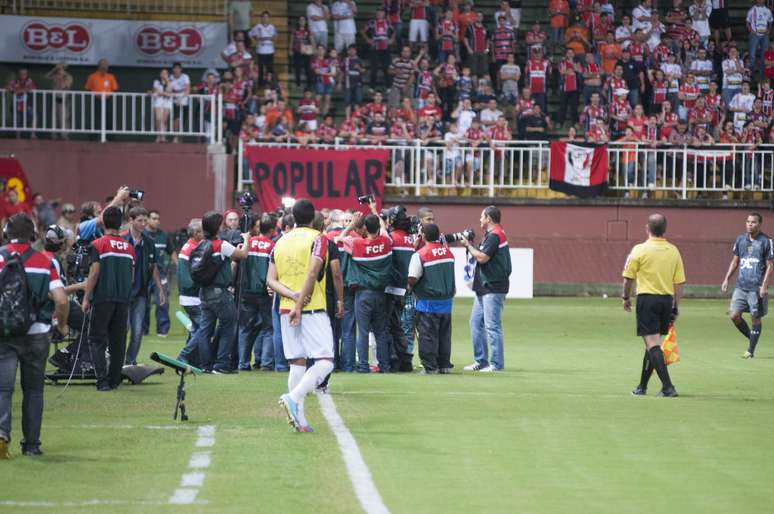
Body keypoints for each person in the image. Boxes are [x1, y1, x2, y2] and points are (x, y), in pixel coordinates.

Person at [0, 214, 68, 458]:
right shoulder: (42, 260)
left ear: (6, 232)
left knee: (3, 389)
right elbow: (61, 299)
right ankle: (31, 445)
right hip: (37, 332)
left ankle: (1, 434)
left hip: (4, 333)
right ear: (34, 235)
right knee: (34, 390)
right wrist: (61, 326)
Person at [269, 199, 335, 432]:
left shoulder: (280, 241)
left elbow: (270, 280)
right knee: (325, 361)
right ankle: (293, 397)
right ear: (312, 217)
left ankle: (301, 420)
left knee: (297, 363)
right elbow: (312, 272)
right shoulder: (318, 239)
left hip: (285, 308)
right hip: (310, 308)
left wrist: (291, 296)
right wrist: (300, 301)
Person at [622, 214, 685, 397]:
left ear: (647, 228)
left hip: (647, 299)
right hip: (666, 300)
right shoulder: (673, 251)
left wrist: (625, 297)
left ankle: (668, 387)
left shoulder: (640, 250)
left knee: (652, 345)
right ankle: (642, 386)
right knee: (651, 344)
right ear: (664, 229)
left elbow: (628, 278)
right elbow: (679, 282)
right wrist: (676, 306)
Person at [185, 211, 248, 373]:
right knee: (229, 326)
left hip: (204, 292)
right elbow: (242, 255)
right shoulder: (220, 244)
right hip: (220, 293)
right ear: (217, 227)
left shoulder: (200, 244)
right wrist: (246, 239)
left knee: (206, 329)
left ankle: (205, 365)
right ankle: (221, 364)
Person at [82, 206, 135, 391]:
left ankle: (102, 381)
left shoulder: (98, 244)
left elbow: (94, 272)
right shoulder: (129, 247)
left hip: (103, 298)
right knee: (118, 342)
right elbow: (133, 276)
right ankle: (114, 380)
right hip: (123, 299)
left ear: (103, 221)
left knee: (97, 339)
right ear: (120, 223)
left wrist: (87, 297)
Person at [460, 206, 512, 372]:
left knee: (492, 326)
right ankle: (481, 361)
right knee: (476, 323)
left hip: (493, 286)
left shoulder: (494, 236)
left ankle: (496, 364)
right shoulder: (494, 235)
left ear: (489, 218)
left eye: (482, 217)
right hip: (485, 286)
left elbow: (482, 258)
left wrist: (468, 246)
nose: (480, 220)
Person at [721, 213, 774, 358]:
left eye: (753, 222)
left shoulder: (766, 241)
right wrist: (726, 279)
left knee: (755, 317)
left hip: (756, 287)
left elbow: (770, 265)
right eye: (748, 221)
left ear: (759, 224)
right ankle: (752, 338)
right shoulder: (740, 240)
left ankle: (750, 350)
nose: (750, 224)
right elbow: (735, 261)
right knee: (734, 315)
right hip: (740, 286)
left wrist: (764, 285)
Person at [408, 223, 455, 374]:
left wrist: (409, 288)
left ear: (424, 236)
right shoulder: (448, 253)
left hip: (427, 302)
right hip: (446, 302)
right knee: (444, 336)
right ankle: (444, 365)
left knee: (428, 335)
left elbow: (412, 278)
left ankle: (430, 367)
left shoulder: (420, 254)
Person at [123, 207, 164, 365]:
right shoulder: (122, 240)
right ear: (131, 220)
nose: (143, 223)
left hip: (141, 293)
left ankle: (129, 361)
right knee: (122, 330)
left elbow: (153, 266)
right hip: (124, 294)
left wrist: (160, 288)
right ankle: (116, 361)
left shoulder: (149, 242)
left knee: (138, 331)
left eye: (144, 220)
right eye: (139, 220)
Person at [237, 214, 276, 371]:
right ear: (272, 230)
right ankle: (266, 363)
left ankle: (243, 363)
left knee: (245, 328)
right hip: (264, 292)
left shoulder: (249, 242)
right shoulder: (272, 246)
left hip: (246, 290)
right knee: (268, 328)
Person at [176, 219, 204, 367]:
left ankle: (193, 359)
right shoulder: (193, 249)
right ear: (195, 233)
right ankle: (184, 355)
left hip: (188, 296)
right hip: (193, 296)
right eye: (202, 231)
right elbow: (192, 276)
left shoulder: (188, 246)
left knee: (195, 329)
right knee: (204, 328)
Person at [144, 209, 175, 338]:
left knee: (162, 301)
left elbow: (171, 251)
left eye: (158, 219)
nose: (157, 221)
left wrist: (179, 265)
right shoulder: (142, 235)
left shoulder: (164, 235)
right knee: (143, 303)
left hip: (160, 273)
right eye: (154, 218)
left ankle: (163, 330)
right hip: (144, 274)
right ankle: (142, 330)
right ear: (147, 220)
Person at [249, 11, 277, 86]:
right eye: (263, 17)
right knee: (261, 68)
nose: (265, 18)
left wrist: (272, 41)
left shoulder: (272, 27)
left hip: (270, 51)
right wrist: (255, 41)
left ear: (269, 18)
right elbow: (250, 34)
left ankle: (270, 83)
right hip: (261, 51)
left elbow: (275, 36)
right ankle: (261, 84)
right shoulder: (257, 26)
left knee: (270, 68)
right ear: (261, 18)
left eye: (267, 17)